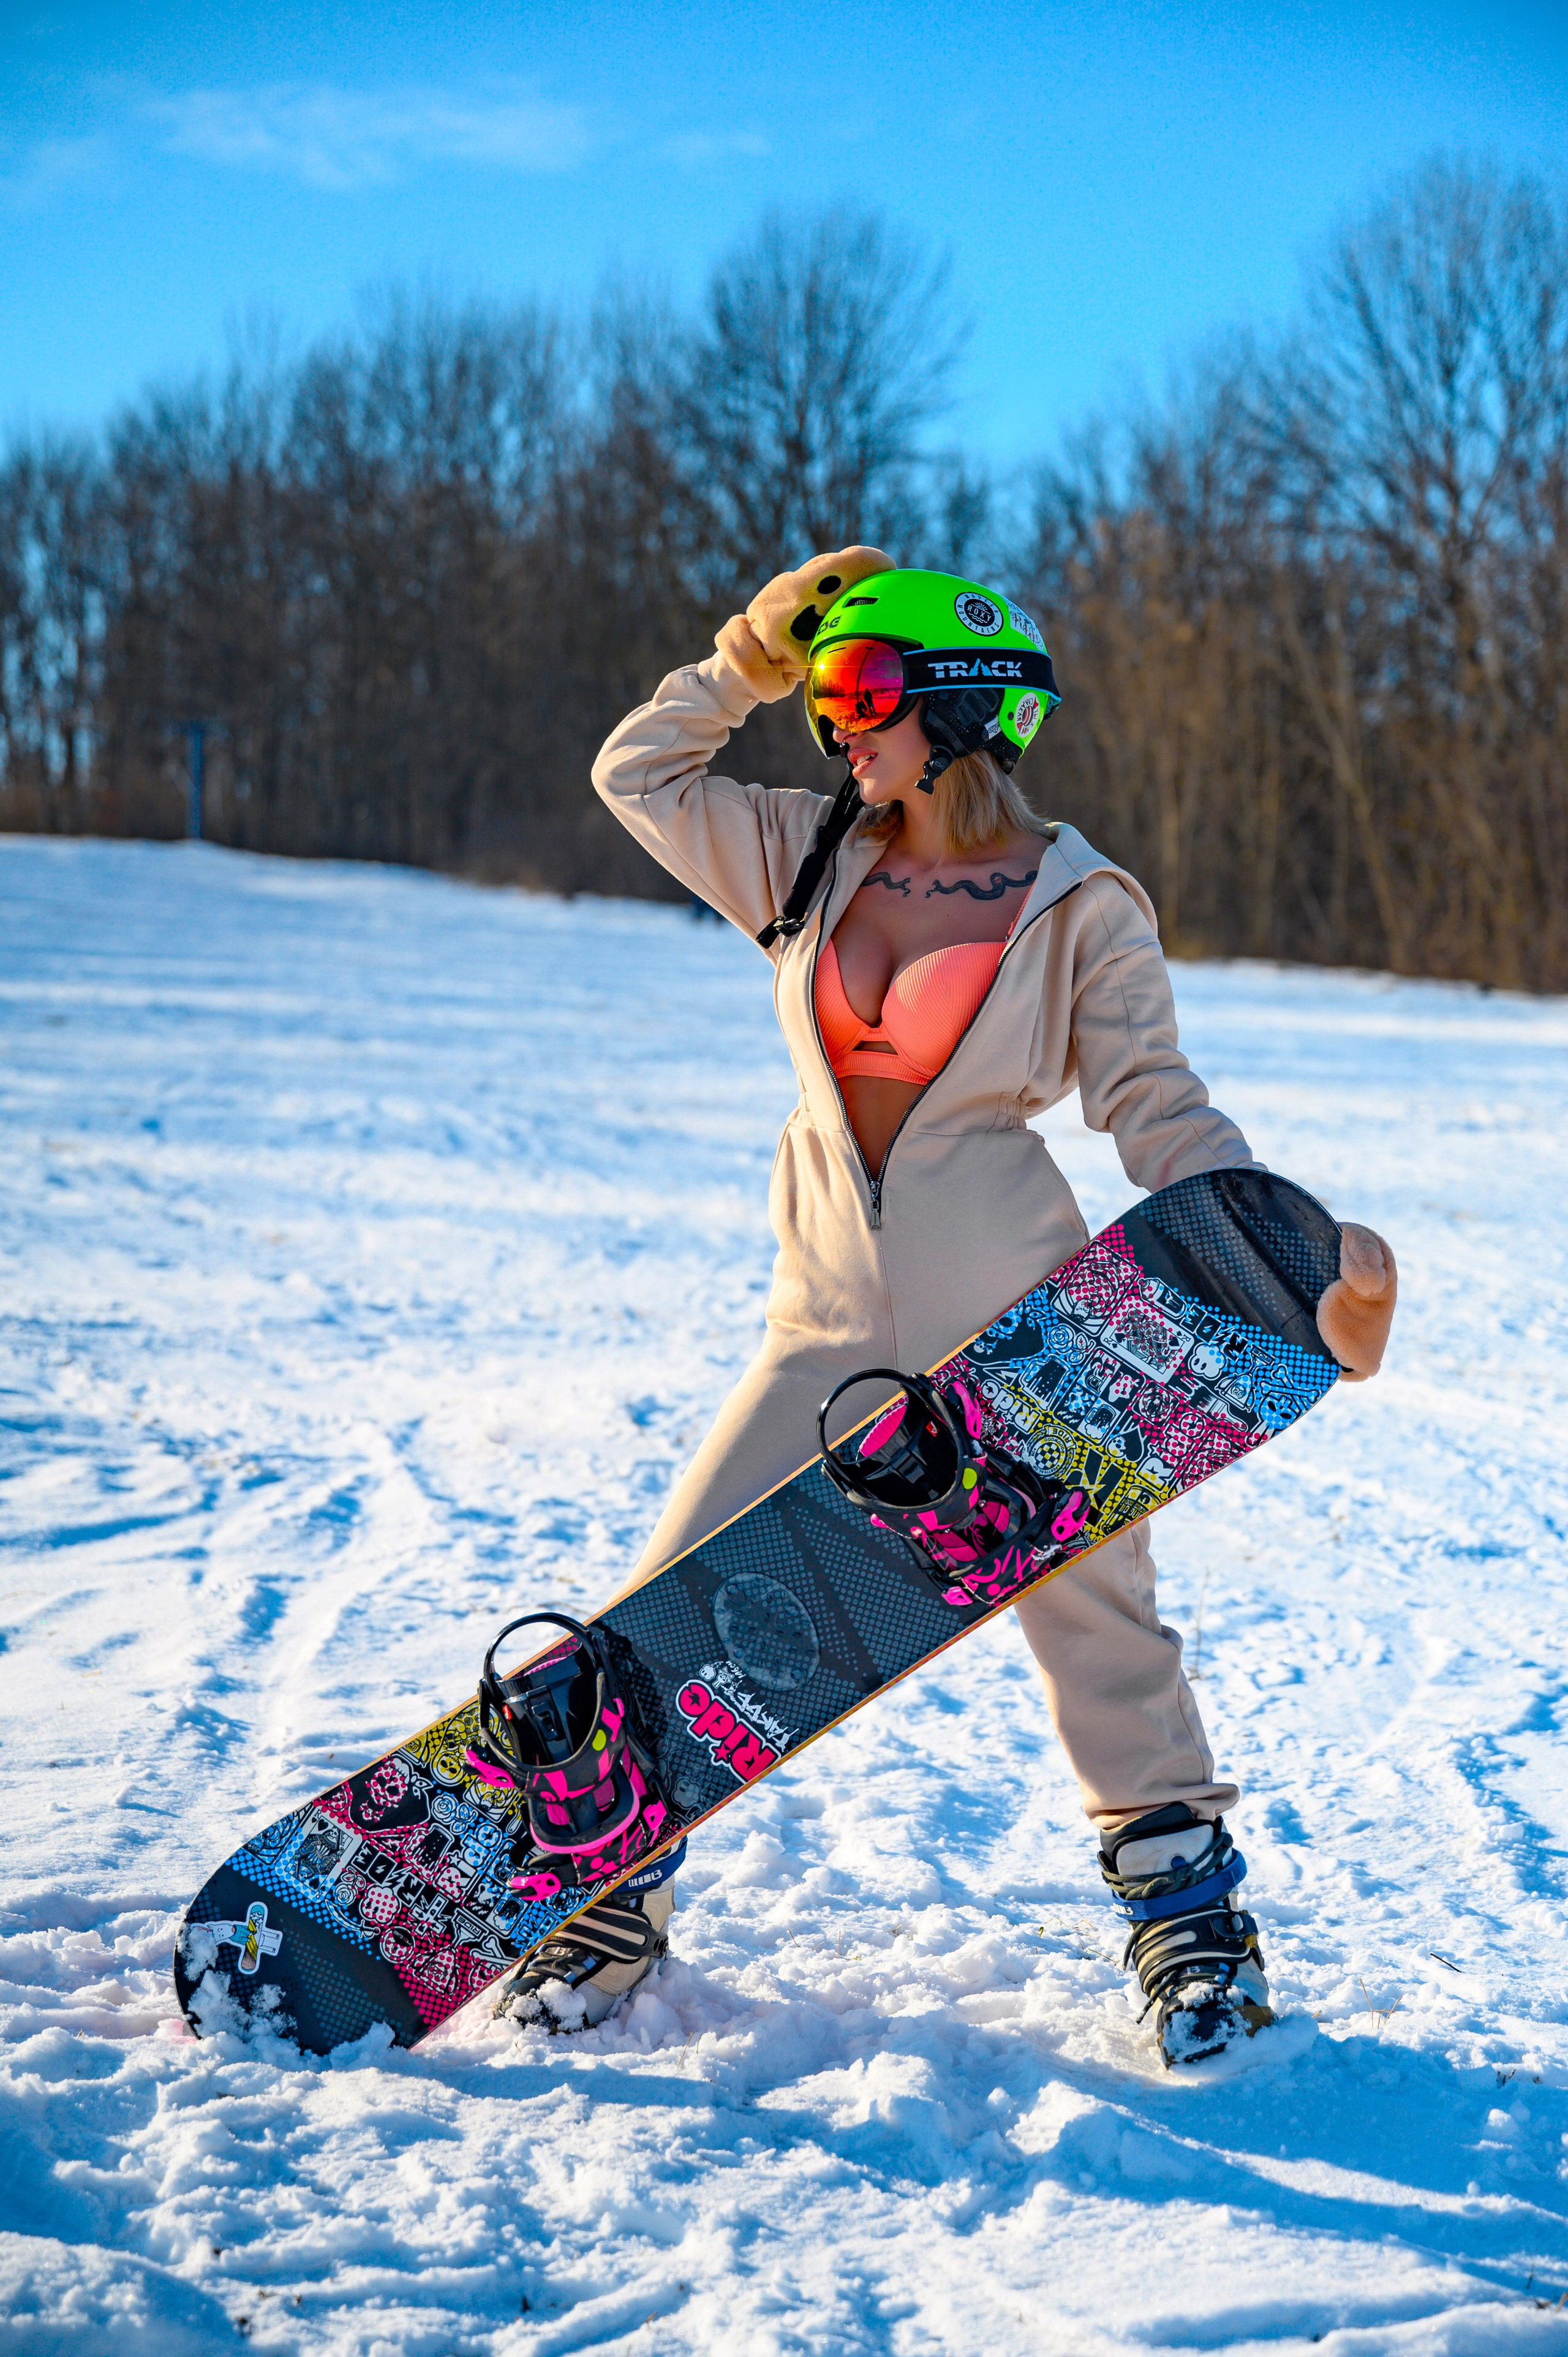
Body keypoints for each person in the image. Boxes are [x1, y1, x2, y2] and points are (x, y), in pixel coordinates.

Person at [496, 549, 1397, 2063]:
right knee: (670, 1606)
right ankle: (609, 1892)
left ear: (957, 706)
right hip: (820, 1324)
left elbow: (1154, 1108)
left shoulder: (1079, 902)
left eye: (858, 691)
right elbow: (637, 773)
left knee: (1097, 1624)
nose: (834, 727)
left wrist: (1281, 1243)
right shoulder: (803, 854)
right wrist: (746, 654)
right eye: (826, 694)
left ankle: (1185, 1926)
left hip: (1025, 1326)